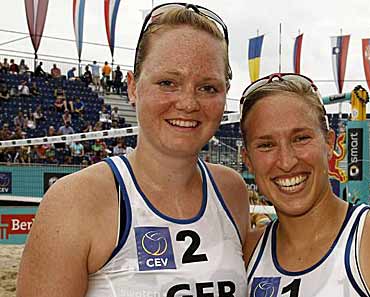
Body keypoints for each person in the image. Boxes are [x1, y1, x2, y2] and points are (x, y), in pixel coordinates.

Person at [17, 3, 249, 297]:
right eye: (168, 82)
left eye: (208, 88)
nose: (189, 103)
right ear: (133, 87)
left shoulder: (231, 191)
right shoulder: (74, 202)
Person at [240, 73, 370, 296]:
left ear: (329, 143)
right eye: (266, 145)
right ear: (248, 160)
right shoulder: (245, 254)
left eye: (301, 138)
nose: (286, 161)